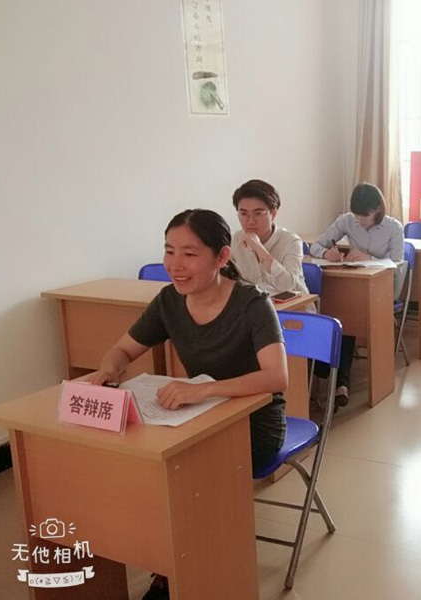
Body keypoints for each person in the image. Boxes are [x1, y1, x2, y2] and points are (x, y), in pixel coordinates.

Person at [85, 209, 289, 600]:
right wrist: (107, 370)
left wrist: (204, 390)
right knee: (133, 464)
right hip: (196, 419)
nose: (175, 265)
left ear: (222, 257)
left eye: (190, 254)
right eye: (169, 251)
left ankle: (174, 575)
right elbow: (123, 350)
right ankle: (165, 561)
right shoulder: (169, 301)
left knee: (181, 477)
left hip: (254, 423)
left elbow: (276, 377)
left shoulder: (252, 304)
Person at [309, 182, 404, 408]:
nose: (359, 220)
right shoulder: (346, 221)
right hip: (353, 285)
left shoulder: (393, 227)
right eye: (357, 215)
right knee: (342, 317)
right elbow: (315, 246)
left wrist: (370, 259)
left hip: (381, 289)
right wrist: (327, 253)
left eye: (365, 215)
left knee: (348, 319)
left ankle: (338, 380)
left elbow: (398, 264)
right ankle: (338, 383)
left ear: (378, 209)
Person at [230, 179, 309, 297]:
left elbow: (288, 286)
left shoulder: (291, 241)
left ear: (273, 214)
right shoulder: (235, 240)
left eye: (258, 213)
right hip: (256, 305)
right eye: (244, 214)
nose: (250, 221)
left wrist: (258, 248)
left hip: (295, 306)